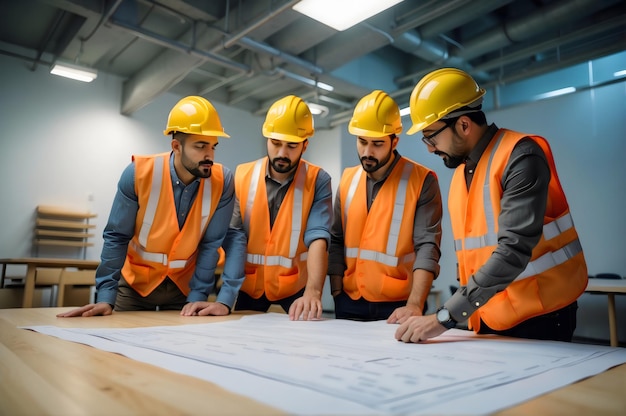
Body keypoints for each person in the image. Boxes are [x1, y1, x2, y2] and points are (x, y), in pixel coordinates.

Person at [395, 68, 588, 343]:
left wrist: (445, 317)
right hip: (487, 316)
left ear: (463, 125)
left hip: (540, 317)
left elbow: (513, 250)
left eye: (431, 136)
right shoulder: (462, 174)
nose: (429, 148)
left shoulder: (521, 156)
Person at [58, 96, 240, 317]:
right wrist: (106, 296)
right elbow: (116, 236)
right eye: (200, 146)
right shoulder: (138, 174)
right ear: (177, 146)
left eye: (213, 147)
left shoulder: (223, 181)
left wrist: (197, 297)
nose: (209, 155)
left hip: (183, 291)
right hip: (134, 287)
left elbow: (211, 245)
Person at [200, 95, 333, 320]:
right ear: (267, 139)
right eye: (275, 143)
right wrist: (225, 299)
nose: (282, 153)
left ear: (305, 145)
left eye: (291, 146)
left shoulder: (318, 180)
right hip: (249, 285)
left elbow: (318, 238)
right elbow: (234, 238)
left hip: (295, 287)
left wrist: (313, 291)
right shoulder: (242, 175)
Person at [328, 90, 443, 322]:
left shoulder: (422, 180)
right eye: (362, 142)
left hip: (399, 305)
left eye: (377, 144)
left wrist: (414, 304)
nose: (367, 152)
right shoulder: (348, 179)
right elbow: (336, 239)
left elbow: (427, 247)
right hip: (348, 301)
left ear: (394, 141)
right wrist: (336, 290)